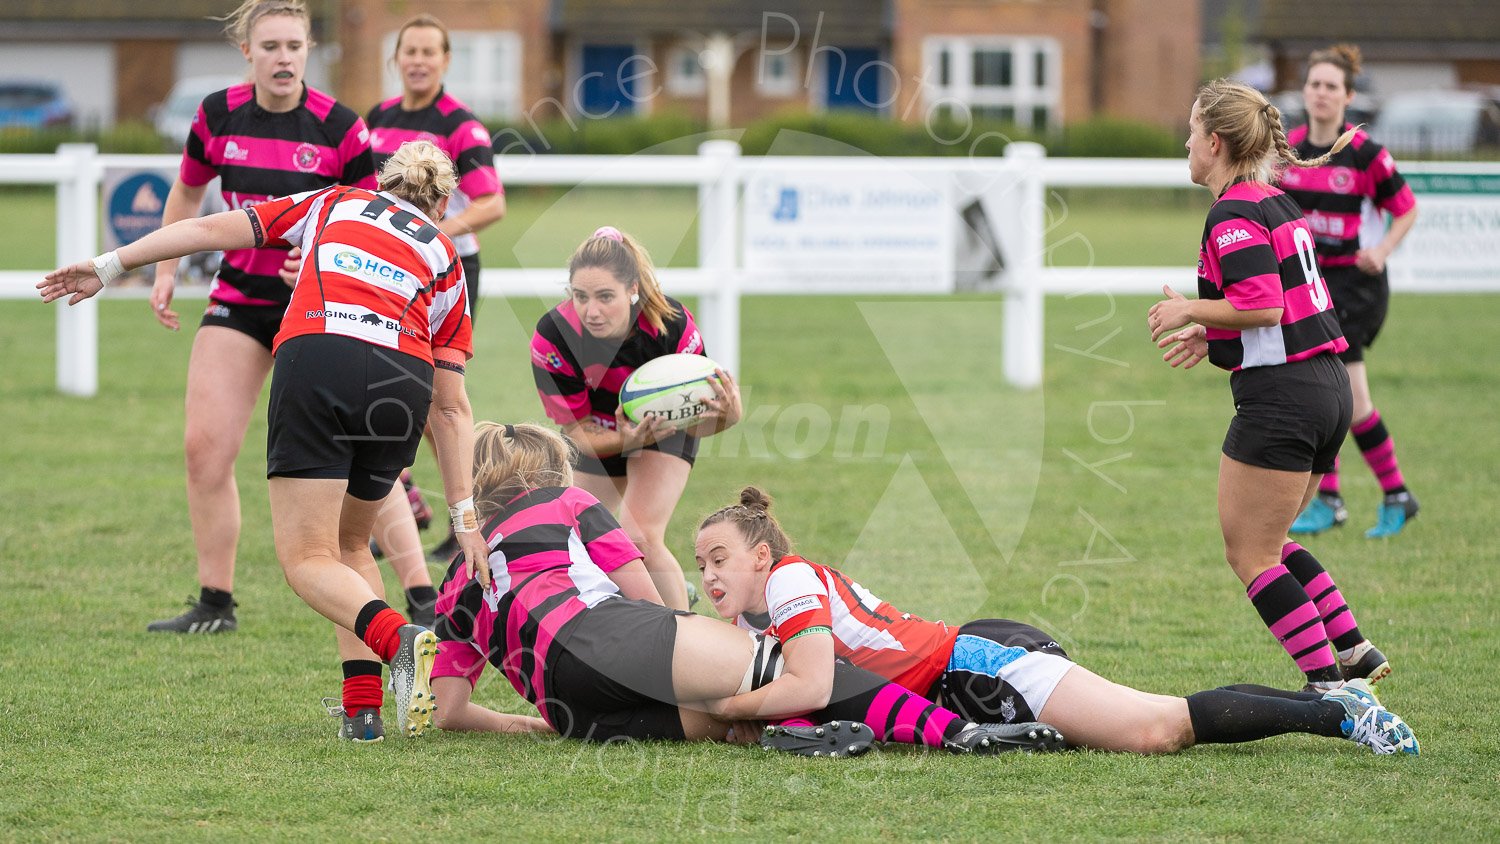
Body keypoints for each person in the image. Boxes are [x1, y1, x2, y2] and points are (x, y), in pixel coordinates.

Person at [41, 141, 489, 743]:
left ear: (382, 182)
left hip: (320, 354)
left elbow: (204, 227)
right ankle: (363, 714)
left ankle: (398, 640)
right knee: (352, 544)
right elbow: (453, 406)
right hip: (399, 379)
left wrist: (111, 265)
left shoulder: (335, 202)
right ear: (441, 202)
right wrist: (464, 516)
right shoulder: (445, 255)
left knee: (307, 558)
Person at [426, 423, 1066, 756]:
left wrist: (533, 723)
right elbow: (644, 599)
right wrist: (688, 639)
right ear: (550, 469)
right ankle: (960, 734)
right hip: (610, 638)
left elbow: (450, 712)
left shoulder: (457, 574)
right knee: (785, 669)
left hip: (571, 710)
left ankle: (788, 732)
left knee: (721, 717)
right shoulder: (563, 500)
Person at [694, 487, 1418, 756]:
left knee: (1155, 729)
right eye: (700, 566)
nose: (709, 576)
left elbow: (812, 682)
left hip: (974, 665)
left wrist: (733, 705)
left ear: (762, 555)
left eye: (720, 557)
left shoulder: (788, 580)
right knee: (1152, 727)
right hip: (960, 682)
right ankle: (1334, 704)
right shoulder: (764, 619)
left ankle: (1340, 715)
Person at [1149, 79, 1394, 691]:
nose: (1185, 143)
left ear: (1215, 141)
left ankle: (1333, 694)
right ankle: (1352, 649)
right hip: (1327, 388)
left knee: (1251, 554)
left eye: (1190, 131)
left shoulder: (1232, 211)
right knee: (1273, 540)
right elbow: (1278, 312)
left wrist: (1192, 312)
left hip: (1283, 400)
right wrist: (1213, 337)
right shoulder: (1275, 201)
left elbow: (1261, 307)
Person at [144, 0, 377, 634]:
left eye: (294, 46)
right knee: (204, 450)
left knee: (367, 458)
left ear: (309, 51)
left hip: (323, 309)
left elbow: (373, 229)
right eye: (270, 46)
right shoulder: (217, 114)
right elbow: (190, 193)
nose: (284, 58)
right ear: (247, 52)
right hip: (241, 302)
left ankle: (399, 585)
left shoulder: (341, 128)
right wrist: (164, 269)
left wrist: (318, 263)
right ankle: (215, 603)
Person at [531, 228, 743, 610]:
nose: (591, 310)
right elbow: (578, 434)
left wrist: (729, 416)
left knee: (639, 536)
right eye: (580, 296)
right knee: (570, 538)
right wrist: (626, 440)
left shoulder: (671, 325)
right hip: (600, 431)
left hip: (665, 429)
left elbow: (702, 420)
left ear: (632, 290)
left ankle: (685, 640)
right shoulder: (553, 339)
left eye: (605, 297)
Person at [366, 13, 508, 572]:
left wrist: (424, 235)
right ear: (396, 59)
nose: (419, 60)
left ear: (446, 61)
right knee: (375, 379)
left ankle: (468, 516)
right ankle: (401, 494)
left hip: (447, 274)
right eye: (410, 51)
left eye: (430, 52)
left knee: (437, 405)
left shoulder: (461, 126)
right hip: (383, 272)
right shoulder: (376, 120)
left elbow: (490, 204)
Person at [1283, 44, 1421, 539]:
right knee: (1326, 394)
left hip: (1355, 288)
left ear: (1347, 96)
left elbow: (1406, 208)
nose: (1320, 93)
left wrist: (1382, 250)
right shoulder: (1290, 149)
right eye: (1314, 84)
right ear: (1304, 91)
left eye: (1330, 86)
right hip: (1310, 288)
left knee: (1351, 400)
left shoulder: (1366, 154)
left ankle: (1394, 494)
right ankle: (1334, 499)